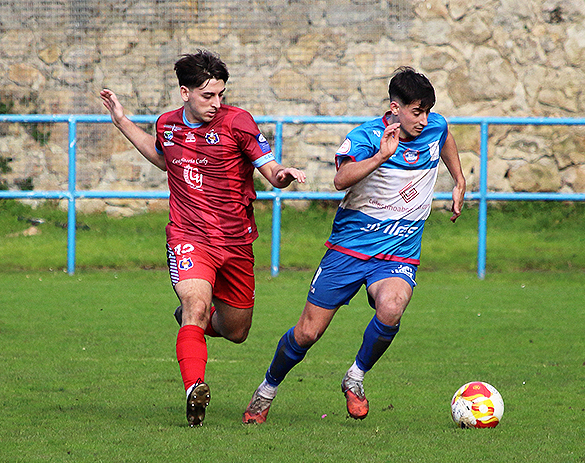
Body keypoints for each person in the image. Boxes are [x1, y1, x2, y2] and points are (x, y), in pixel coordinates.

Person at [242, 66, 467, 424]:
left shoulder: (434, 126)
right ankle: (267, 389)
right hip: (349, 249)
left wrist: (459, 179)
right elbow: (340, 179)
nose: (424, 120)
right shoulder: (367, 136)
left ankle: (355, 376)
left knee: (392, 306)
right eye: (416, 112)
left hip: (398, 251)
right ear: (395, 108)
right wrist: (380, 157)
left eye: (427, 111)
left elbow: (446, 136)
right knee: (307, 332)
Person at [100, 50, 306, 427]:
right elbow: (162, 157)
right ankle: (194, 388)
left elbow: (270, 169)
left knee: (236, 331)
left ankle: (193, 323)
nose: (217, 103)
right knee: (195, 304)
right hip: (189, 235)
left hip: (236, 242)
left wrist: (284, 175)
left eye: (221, 95)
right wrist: (122, 121)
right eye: (208, 95)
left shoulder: (238, 122)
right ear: (185, 93)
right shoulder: (167, 124)